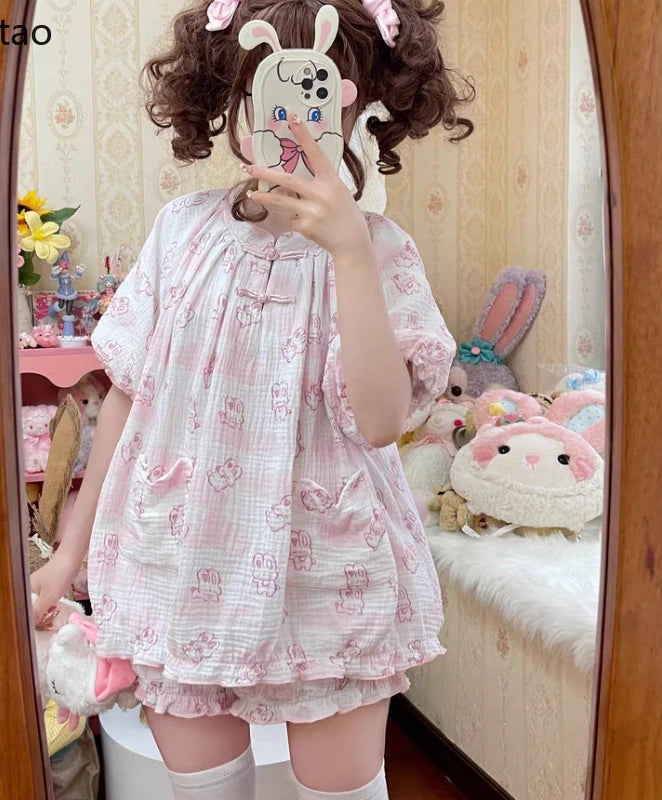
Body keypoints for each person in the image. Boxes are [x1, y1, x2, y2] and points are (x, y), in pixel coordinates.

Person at [32, 1, 472, 797]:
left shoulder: (383, 254)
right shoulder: (181, 232)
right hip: (180, 559)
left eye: (315, 90)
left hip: (329, 570)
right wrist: (69, 553)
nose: (290, 119)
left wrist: (350, 250)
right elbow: (129, 400)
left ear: (359, 102)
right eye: (267, 90)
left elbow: (380, 421)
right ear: (229, 97)